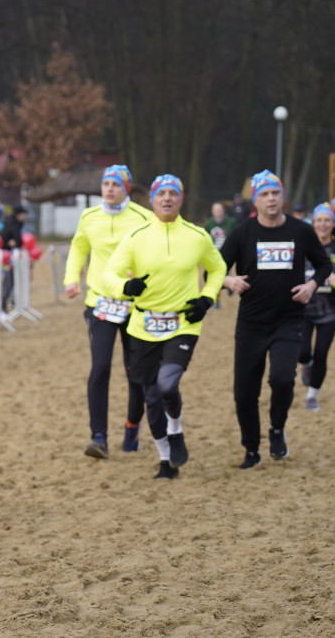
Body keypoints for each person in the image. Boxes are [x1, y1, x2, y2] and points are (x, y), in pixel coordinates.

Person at [103, 174, 226, 479]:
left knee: (168, 383)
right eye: (162, 194)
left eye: (173, 193)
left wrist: (207, 298)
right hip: (143, 326)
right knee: (151, 397)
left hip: (183, 322)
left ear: (181, 199)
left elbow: (218, 267)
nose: (167, 198)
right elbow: (109, 275)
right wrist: (126, 287)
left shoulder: (198, 236)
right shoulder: (136, 236)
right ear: (152, 200)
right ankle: (164, 459)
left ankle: (176, 428)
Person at [219, 170, 331, 469]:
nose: (271, 199)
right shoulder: (243, 232)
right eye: (265, 194)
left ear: (282, 197)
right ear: (255, 200)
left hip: (288, 319)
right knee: (244, 392)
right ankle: (252, 449)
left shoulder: (301, 231)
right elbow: (215, 268)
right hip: (252, 323)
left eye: (275, 193)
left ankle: (277, 429)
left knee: (282, 379)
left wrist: (310, 285)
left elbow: (323, 264)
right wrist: (229, 282)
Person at [64, 165, 151, 457]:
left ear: (126, 188)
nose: (110, 189)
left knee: (135, 371)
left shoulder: (143, 218)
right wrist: (71, 279)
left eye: (116, 184)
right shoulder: (89, 217)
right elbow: (78, 248)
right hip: (99, 302)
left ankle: (132, 426)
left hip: (134, 305)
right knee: (100, 367)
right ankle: (98, 437)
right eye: (106, 184)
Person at [298, 203, 335, 411]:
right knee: (303, 353)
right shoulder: (302, 246)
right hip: (303, 309)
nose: (323, 224)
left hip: (329, 311)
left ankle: (312, 395)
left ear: (333, 224)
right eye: (319, 220)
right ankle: (306, 363)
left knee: (321, 354)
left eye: (327, 220)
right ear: (312, 224)